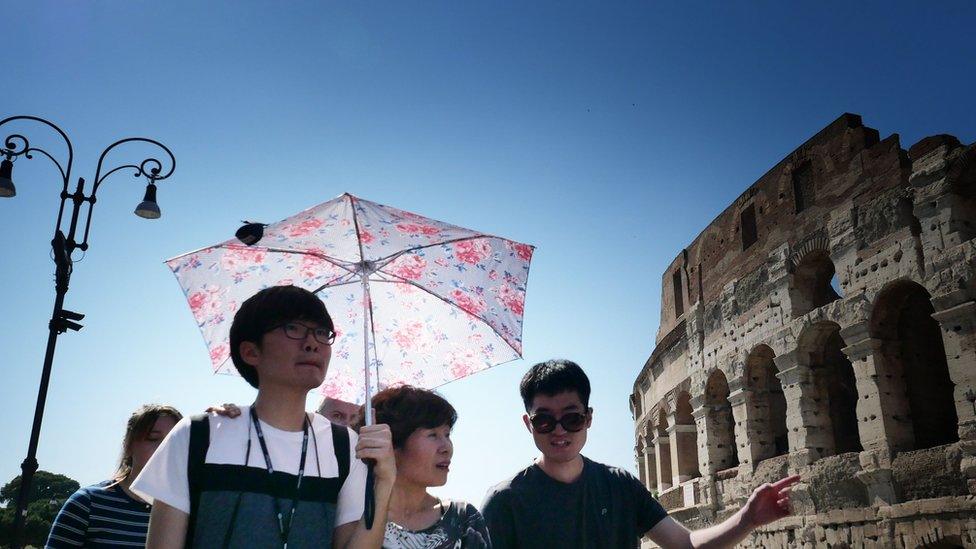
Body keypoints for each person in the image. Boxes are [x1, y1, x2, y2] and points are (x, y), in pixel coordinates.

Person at [131, 285, 397, 549]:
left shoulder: (344, 446)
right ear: (251, 352)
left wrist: (383, 485)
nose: (312, 343)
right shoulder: (198, 434)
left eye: (321, 332)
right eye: (293, 328)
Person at [482, 359, 800, 549]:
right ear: (529, 424)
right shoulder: (504, 501)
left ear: (589, 418)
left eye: (572, 417)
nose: (559, 430)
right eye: (545, 420)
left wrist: (747, 520)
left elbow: (684, 544)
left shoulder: (620, 486)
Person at [361, 385, 490, 548]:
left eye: (447, 434)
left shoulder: (463, 519)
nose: (446, 447)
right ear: (393, 443)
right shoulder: (357, 521)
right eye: (432, 435)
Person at [46, 404, 183, 548]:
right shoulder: (87, 503)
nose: (166, 448)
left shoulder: (186, 512)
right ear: (128, 445)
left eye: (174, 440)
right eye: (153, 438)